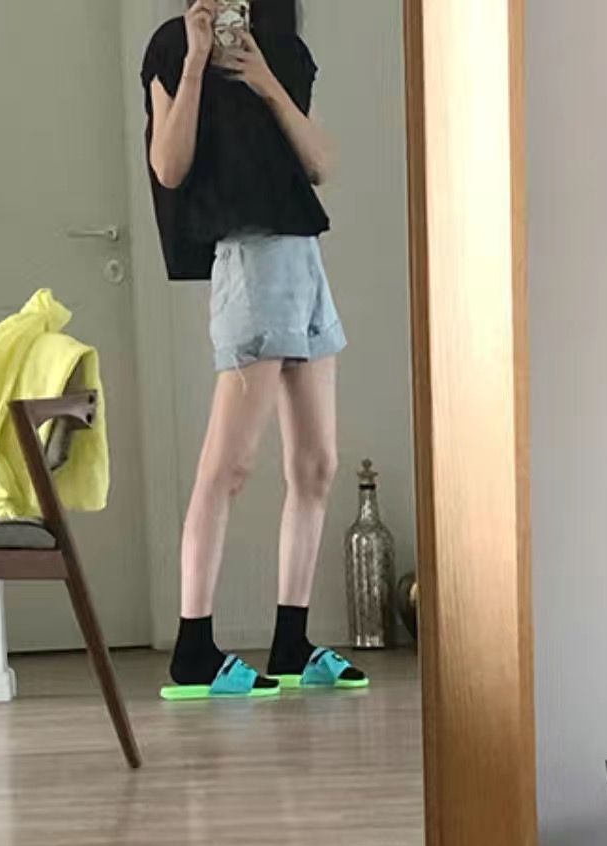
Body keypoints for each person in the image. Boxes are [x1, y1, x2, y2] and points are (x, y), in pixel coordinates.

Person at [144, 0, 370, 701]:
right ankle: (193, 648)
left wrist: (266, 80)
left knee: (317, 464)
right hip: (249, 259)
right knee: (230, 465)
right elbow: (169, 167)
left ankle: (292, 643)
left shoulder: (284, 49)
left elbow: (321, 162)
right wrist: (194, 64)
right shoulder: (170, 46)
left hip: (304, 261)